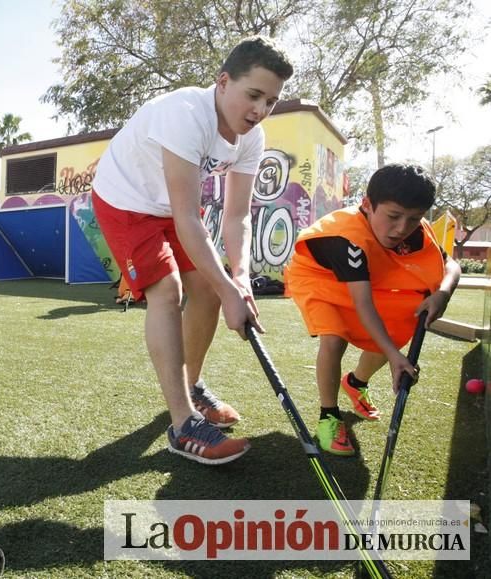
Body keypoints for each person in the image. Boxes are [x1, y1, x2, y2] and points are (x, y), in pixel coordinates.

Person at [90, 36, 293, 466]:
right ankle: (182, 425)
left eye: (270, 101)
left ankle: (191, 386)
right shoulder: (185, 116)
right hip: (126, 200)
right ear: (223, 82)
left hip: (173, 205)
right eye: (253, 95)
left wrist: (238, 278)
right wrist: (229, 289)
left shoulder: (251, 138)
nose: (259, 110)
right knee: (168, 289)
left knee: (208, 289)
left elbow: (237, 215)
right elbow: (188, 218)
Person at [284, 164, 461, 455]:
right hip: (318, 277)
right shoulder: (344, 240)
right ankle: (328, 416)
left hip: (366, 276)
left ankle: (355, 383)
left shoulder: (417, 231)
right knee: (334, 335)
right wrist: (394, 357)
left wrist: (442, 294)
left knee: (397, 324)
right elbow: (363, 305)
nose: (402, 229)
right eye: (393, 216)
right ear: (367, 204)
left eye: (413, 219)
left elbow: (452, 265)